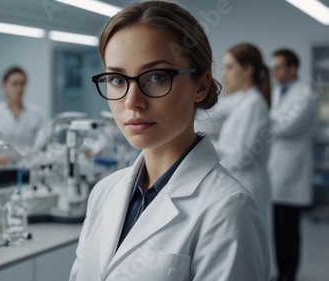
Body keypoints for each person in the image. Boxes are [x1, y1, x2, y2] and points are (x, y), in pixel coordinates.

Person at [69, 2, 270, 281]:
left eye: (156, 77)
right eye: (116, 79)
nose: (132, 102)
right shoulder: (103, 192)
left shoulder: (229, 210)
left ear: (200, 85)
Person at [269, 49, 319, 281]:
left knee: (289, 230)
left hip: (293, 171)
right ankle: (281, 273)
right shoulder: (277, 91)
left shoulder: (307, 93)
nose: (274, 73)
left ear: (292, 68)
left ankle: (289, 275)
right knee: (277, 229)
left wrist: (265, 122)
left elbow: (286, 127)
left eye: (278, 67)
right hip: (275, 169)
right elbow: (275, 121)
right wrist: (271, 121)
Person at [214, 43, 272, 230]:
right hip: (239, 183)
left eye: (230, 67)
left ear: (247, 70)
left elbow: (241, 158)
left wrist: (205, 148)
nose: (224, 74)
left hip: (246, 185)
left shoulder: (254, 104)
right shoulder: (244, 101)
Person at [0, 66, 43, 166]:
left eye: (22, 84)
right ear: (4, 86)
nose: (19, 88)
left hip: (27, 168)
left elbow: (40, 147)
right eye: (14, 84)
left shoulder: (36, 114)